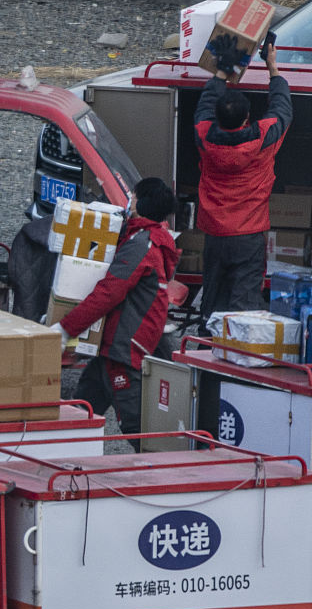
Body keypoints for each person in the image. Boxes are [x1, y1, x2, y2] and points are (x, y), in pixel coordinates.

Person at [52, 177, 179, 450]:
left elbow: (109, 292)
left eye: (133, 196)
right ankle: (67, 459)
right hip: (112, 347)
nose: (129, 200)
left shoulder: (140, 245)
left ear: (142, 203)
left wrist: (66, 328)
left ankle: (156, 474)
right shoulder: (146, 238)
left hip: (124, 347)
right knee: (82, 411)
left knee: (135, 425)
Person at [195, 37, 291, 326]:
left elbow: (206, 104)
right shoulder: (262, 138)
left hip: (214, 235)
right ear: (248, 117)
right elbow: (283, 109)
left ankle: (204, 360)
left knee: (212, 300)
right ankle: (238, 359)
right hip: (248, 236)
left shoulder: (203, 135)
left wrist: (223, 71)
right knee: (244, 306)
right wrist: (272, 66)